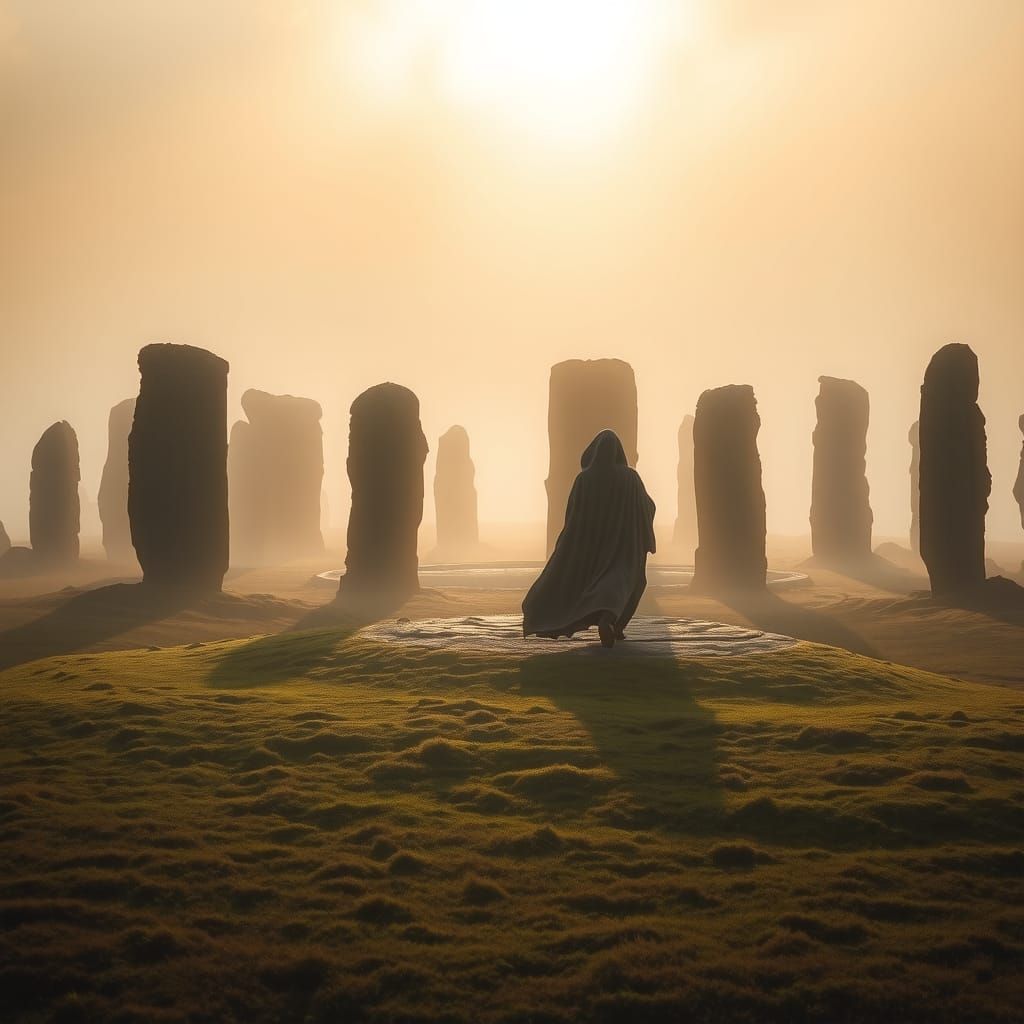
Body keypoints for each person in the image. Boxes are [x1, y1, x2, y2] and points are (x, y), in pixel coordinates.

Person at [523, 429, 656, 648]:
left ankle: (613, 625)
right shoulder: (630, 478)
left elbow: (573, 516)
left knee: (599, 585)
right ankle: (613, 623)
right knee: (628, 582)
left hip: (592, 548)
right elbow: (648, 506)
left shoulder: (584, 480)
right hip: (625, 548)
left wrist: (571, 544)